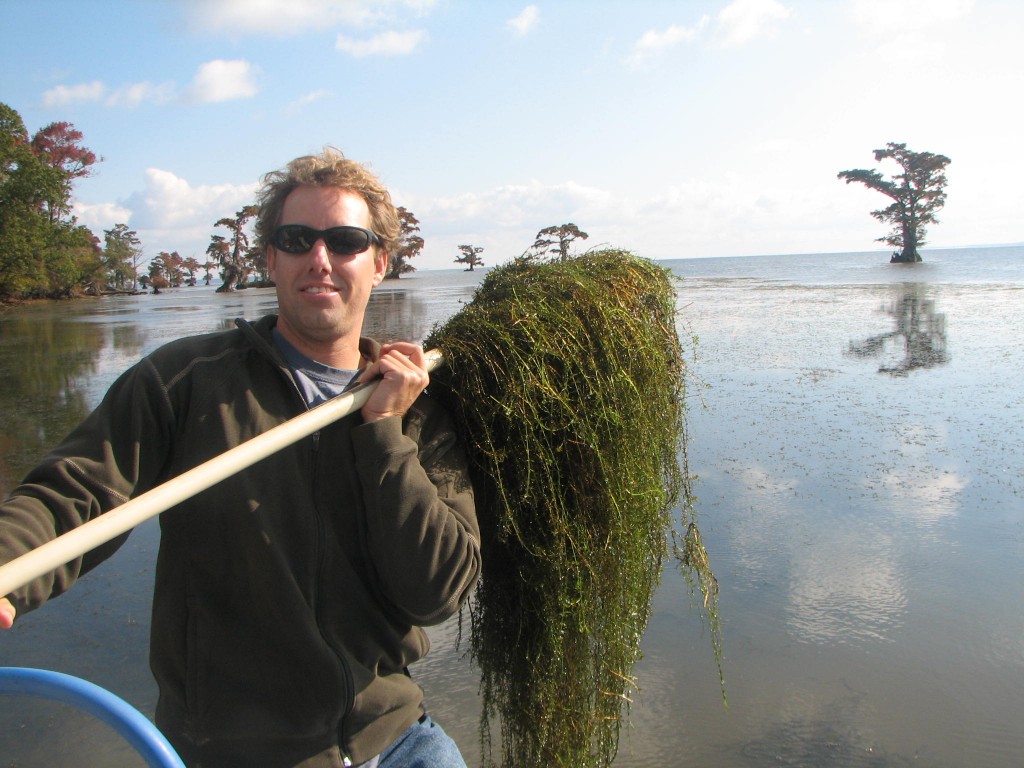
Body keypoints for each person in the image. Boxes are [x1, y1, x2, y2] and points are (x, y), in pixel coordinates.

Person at [0, 148, 481, 768]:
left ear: (380, 261)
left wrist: (383, 431)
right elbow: (76, 494)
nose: (320, 259)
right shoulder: (183, 380)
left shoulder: (417, 406)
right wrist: (10, 565)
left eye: (345, 240)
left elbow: (438, 591)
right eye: (296, 238)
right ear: (269, 259)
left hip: (394, 739)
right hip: (233, 752)